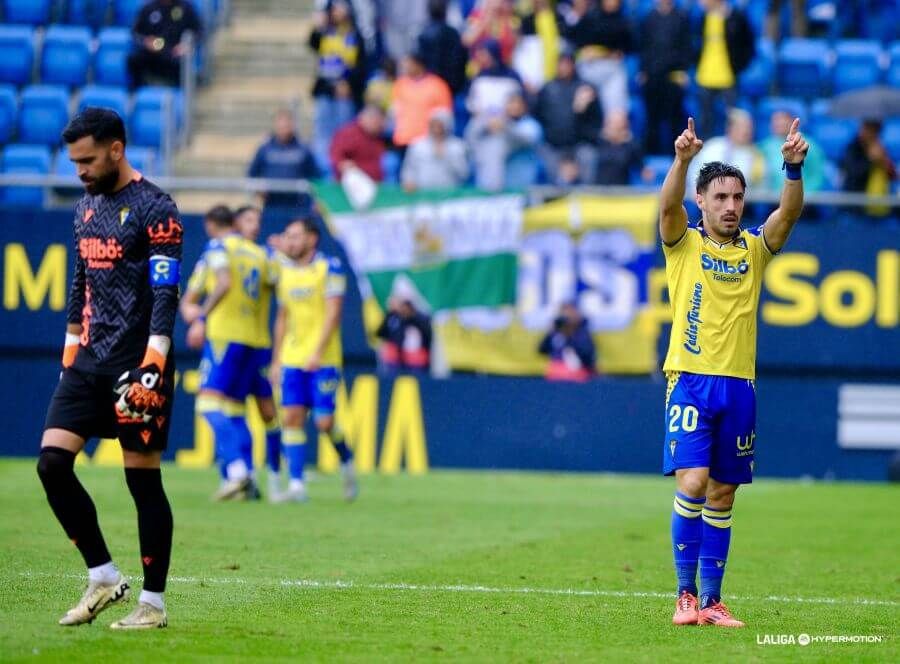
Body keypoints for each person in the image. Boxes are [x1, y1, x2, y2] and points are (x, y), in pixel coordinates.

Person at [659, 116, 808, 627]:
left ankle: (712, 601)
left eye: (737, 198)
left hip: (739, 387)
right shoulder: (684, 245)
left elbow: (787, 216)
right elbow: (665, 206)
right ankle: (683, 596)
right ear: (701, 201)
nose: (729, 206)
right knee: (694, 481)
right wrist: (681, 160)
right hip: (690, 380)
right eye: (719, 197)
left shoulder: (754, 250)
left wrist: (791, 168)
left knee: (723, 493)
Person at [38, 107, 182, 629]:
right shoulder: (84, 209)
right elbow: (80, 286)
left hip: (138, 361)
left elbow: (167, 289)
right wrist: (69, 352)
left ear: (116, 149)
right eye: (74, 161)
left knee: (142, 483)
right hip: (88, 361)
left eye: (88, 159)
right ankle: (102, 574)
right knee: (52, 464)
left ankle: (154, 603)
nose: (79, 170)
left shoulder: (155, 208)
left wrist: (156, 358)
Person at [179, 206, 275, 501]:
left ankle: (237, 472)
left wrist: (201, 318)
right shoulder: (260, 254)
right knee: (235, 409)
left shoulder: (219, 247)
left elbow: (221, 283)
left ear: (210, 225)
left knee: (207, 404)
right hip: (254, 340)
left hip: (224, 336)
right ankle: (248, 480)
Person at [270, 218, 359, 503]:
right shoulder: (284, 272)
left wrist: (318, 352)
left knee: (323, 422)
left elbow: (334, 313)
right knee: (292, 418)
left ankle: (346, 461)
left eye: (295, 236)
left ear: (311, 239)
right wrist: (276, 359)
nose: (290, 241)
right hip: (293, 358)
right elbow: (282, 318)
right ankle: (296, 485)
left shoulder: (329, 268)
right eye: (288, 236)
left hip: (324, 358)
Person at [234, 205, 284, 497]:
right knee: (233, 411)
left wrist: (281, 255)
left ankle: (275, 478)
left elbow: (284, 282)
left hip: (259, 347)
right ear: (236, 223)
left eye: (257, 220)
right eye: (248, 219)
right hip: (235, 346)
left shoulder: (265, 256)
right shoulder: (226, 252)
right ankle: (245, 476)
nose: (254, 225)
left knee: (268, 413)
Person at [308, 0, 365, 171]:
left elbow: (360, 64)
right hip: (325, 90)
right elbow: (312, 43)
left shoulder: (355, 35)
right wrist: (318, 26)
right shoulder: (325, 32)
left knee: (344, 132)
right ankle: (323, 168)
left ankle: (342, 166)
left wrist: (348, 84)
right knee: (322, 133)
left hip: (345, 92)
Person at [534, 49, 602, 184]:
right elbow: (538, 116)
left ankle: (588, 198)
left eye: (567, 63)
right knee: (548, 161)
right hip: (553, 146)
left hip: (580, 145)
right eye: (561, 63)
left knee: (588, 157)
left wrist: (582, 110)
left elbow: (597, 123)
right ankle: (553, 200)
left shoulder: (586, 88)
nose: (564, 67)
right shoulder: (547, 89)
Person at [693, 0, 755, 138]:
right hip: (705, 75)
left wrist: (739, 67)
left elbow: (749, 45)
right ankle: (704, 151)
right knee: (704, 119)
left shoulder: (737, 17)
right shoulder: (700, 18)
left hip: (728, 76)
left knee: (732, 118)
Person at [563, 0, 633, 117]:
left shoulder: (623, 22)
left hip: (612, 70)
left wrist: (603, 54)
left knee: (616, 113)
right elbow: (573, 41)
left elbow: (625, 49)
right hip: (587, 70)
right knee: (581, 105)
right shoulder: (590, 18)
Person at [639, 0, 691, 155]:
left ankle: (675, 156)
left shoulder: (681, 18)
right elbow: (644, 47)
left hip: (674, 76)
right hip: (653, 76)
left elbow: (686, 47)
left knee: (674, 119)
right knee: (651, 119)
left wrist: (683, 70)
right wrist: (644, 71)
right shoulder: (648, 18)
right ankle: (650, 156)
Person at [247, 109, 319, 216]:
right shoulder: (265, 149)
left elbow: (315, 176)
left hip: (298, 206)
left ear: (292, 125)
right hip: (272, 205)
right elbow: (252, 174)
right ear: (275, 126)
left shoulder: (304, 148)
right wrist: (259, 190)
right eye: (281, 125)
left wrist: (316, 200)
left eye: (287, 124)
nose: (284, 128)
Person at [465, 92, 542, 191]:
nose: (514, 107)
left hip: (524, 185)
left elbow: (526, 139)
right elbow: (470, 137)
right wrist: (485, 125)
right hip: (502, 186)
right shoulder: (496, 124)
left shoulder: (530, 125)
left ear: (525, 106)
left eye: (518, 103)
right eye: (511, 103)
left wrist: (505, 126)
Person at [687, 109, 765, 195]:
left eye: (749, 127)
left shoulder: (756, 154)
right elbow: (695, 171)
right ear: (730, 128)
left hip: (744, 202)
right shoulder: (713, 146)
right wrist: (697, 190)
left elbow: (759, 185)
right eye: (742, 127)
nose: (747, 131)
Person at [127, 0, 202, 88]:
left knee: (181, 64)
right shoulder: (148, 8)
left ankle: (178, 91)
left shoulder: (185, 7)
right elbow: (135, 33)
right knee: (133, 59)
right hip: (152, 53)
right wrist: (146, 41)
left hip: (174, 54)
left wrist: (186, 46)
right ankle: (138, 93)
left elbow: (199, 32)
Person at [391, 50, 453, 150]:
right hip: (403, 139)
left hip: (427, 141)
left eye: (408, 64)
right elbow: (395, 111)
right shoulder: (400, 84)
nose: (404, 67)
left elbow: (445, 115)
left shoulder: (437, 85)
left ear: (418, 64)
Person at [401, 109, 469, 191]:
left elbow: (464, 174)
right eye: (434, 125)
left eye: (440, 125)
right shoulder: (417, 145)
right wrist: (409, 181)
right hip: (422, 194)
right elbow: (409, 168)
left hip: (449, 195)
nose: (437, 129)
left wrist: (446, 156)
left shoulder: (457, 147)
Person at [758, 109, 825, 192]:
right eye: (775, 120)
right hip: (771, 199)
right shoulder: (764, 146)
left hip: (803, 197)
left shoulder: (808, 145)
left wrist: (805, 194)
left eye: (782, 119)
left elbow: (817, 176)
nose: (778, 123)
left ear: (793, 122)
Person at [841, 119, 897, 216]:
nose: (864, 132)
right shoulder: (852, 148)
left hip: (880, 206)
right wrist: (870, 160)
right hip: (856, 204)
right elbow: (854, 173)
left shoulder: (882, 149)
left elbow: (893, 176)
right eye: (865, 128)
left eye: (873, 131)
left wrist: (883, 161)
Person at [417, 0, 468, 96]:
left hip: (438, 86)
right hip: (450, 85)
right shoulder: (454, 34)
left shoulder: (423, 34)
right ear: (445, 11)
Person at [538, 303, 596, 382]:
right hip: (556, 374)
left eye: (569, 314)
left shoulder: (582, 333)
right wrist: (551, 332)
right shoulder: (556, 333)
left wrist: (570, 337)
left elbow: (587, 355)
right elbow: (542, 350)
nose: (566, 318)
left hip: (578, 374)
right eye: (563, 315)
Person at [376, 298, 433, 375]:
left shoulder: (420, 320)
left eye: (407, 308)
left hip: (417, 360)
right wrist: (389, 315)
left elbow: (428, 337)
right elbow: (381, 333)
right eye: (403, 308)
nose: (405, 311)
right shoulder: (395, 319)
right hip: (398, 358)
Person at [329, 105, 386, 182]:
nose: (378, 125)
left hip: (376, 181)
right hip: (353, 182)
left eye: (379, 122)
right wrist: (343, 164)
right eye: (374, 120)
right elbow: (336, 157)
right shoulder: (349, 134)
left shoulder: (379, 136)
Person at [594, 109, 643, 185]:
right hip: (598, 189)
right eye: (613, 123)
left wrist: (626, 141)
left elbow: (640, 165)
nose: (615, 127)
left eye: (618, 124)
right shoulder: (598, 141)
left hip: (621, 190)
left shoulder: (631, 145)